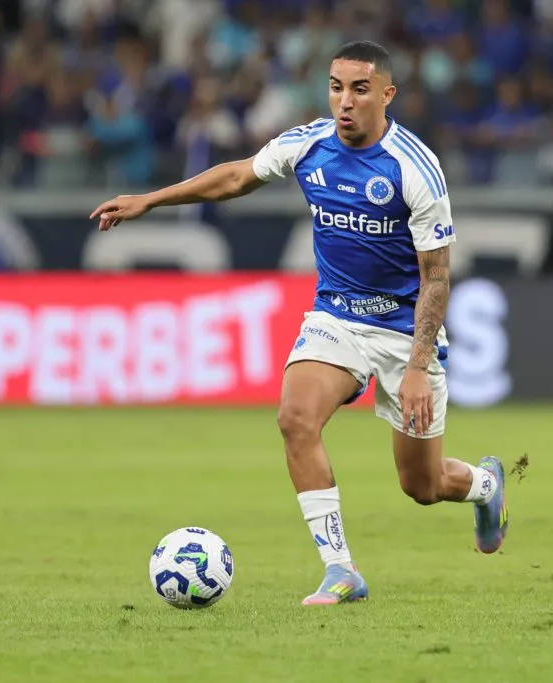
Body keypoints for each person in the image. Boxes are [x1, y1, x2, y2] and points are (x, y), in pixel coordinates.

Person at [90, 41, 508, 606]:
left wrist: (416, 367)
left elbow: (436, 279)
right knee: (295, 418)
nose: (345, 101)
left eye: (359, 89)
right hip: (336, 316)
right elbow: (236, 177)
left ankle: (485, 486)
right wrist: (150, 200)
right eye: (336, 87)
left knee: (423, 485)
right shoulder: (308, 143)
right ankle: (341, 570)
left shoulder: (414, 167)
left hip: (404, 331)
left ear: (387, 94)